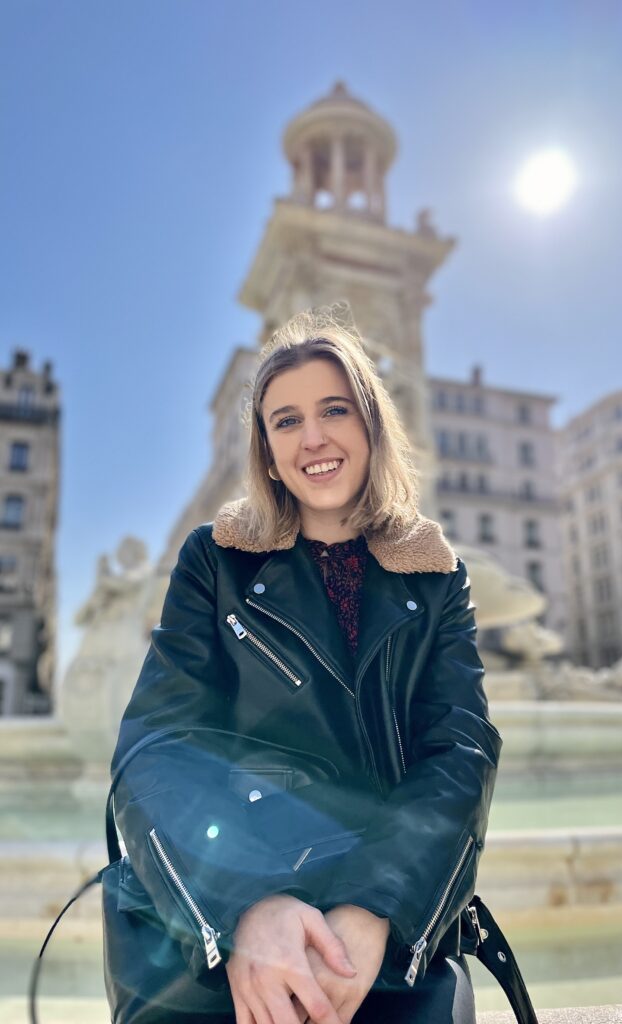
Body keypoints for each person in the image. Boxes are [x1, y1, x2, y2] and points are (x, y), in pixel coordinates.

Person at [110, 305, 502, 1024]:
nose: (313, 438)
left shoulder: (437, 575)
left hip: (383, 924)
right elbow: (157, 747)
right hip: (237, 912)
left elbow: (460, 752)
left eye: (334, 410)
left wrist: (376, 905)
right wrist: (244, 908)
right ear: (266, 451)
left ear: (371, 424)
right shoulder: (215, 559)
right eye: (286, 421)